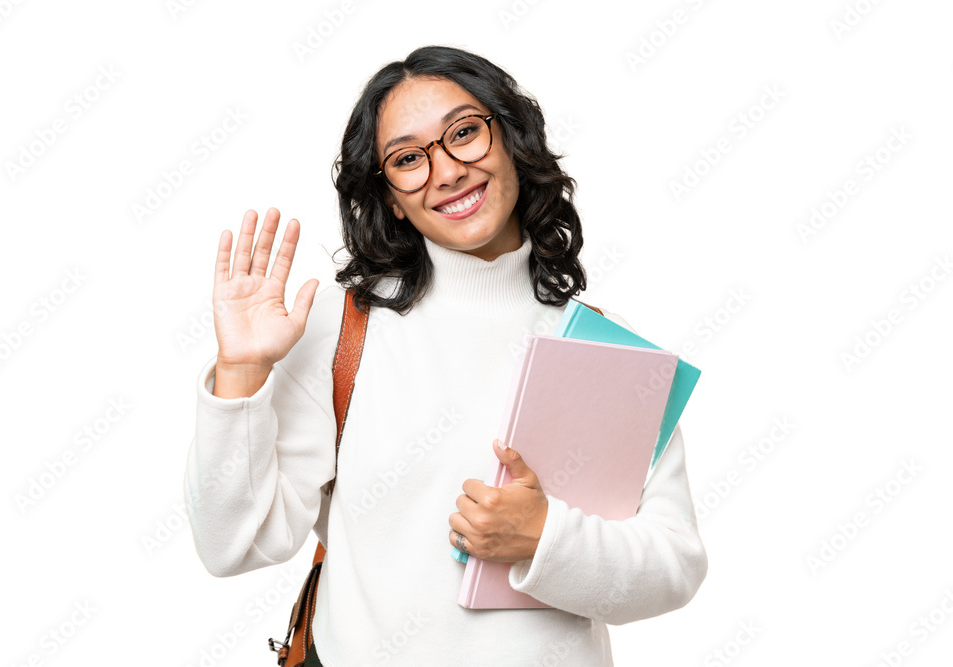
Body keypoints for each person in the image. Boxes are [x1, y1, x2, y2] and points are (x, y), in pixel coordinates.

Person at [184, 45, 707, 666]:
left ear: (512, 139)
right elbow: (233, 546)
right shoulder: (340, 329)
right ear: (391, 198)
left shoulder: (601, 345)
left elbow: (673, 567)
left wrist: (543, 537)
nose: (448, 171)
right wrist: (242, 376)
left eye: (464, 133)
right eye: (408, 159)